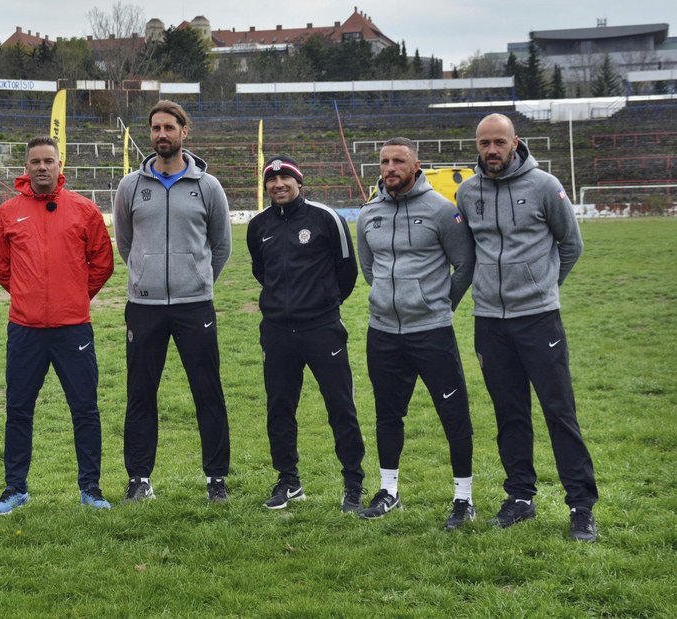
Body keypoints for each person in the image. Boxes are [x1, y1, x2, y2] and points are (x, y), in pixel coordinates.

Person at [456, 113, 598, 542]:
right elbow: (467, 258)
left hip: (538, 319)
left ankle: (581, 506)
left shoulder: (544, 185)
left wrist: (544, 289)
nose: (492, 150)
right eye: (485, 143)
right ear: (477, 146)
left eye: (500, 141)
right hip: (490, 323)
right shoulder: (466, 192)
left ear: (516, 142)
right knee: (509, 414)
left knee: (559, 412)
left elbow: (571, 244)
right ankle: (520, 498)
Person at [112, 99, 233, 503]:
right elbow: (126, 244)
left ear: (185, 132)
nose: (162, 135)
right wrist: (146, 276)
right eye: (155, 128)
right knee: (140, 393)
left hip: (193, 305)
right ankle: (139, 478)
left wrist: (196, 281)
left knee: (207, 392)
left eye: (169, 127)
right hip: (143, 308)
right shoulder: (130, 186)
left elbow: (221, 245)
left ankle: (216, 479)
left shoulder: (207, 186)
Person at [0, 137, 115, 515]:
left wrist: (72, 295)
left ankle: (90, 488)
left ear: (61, 165)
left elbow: (102, 263)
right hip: (25, 329)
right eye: (34, 161)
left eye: (48, 161)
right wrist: (29, 296)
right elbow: (1, 267)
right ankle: (15, 488)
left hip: (72, 327)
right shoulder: (9, 213)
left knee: (85, 408)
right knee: (18, 408)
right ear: (25, 168)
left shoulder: (84, 210)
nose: (42, 167)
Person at [356, 139, 477, 529]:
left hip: (432, 331)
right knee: (388, 414)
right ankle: (389, 491)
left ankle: (463, 498)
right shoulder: (369, 212)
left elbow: (464, 264)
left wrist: (437, 303)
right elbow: (369, 267)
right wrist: (388, 300)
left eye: (399, 161)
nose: (390, 167)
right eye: (385, 161)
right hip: (383, 332)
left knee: (453, 414)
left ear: (416, 165)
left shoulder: (442, 211)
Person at [247, 156, 366, 511]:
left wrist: (322, 304)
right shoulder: (258, 226)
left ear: (300, 182)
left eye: (286, 178)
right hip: (277, 332)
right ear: (265, 186)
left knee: (340, 405)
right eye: (271, 179)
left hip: (322, 328)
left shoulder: (325, 218)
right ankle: (288, 480)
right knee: (279, 407)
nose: (278, 184)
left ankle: (353, 482)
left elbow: (347, 271)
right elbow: (261, 271)